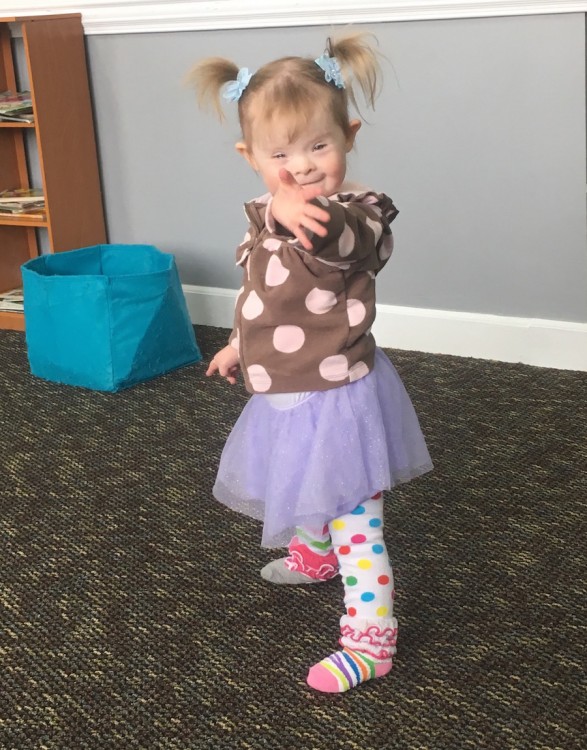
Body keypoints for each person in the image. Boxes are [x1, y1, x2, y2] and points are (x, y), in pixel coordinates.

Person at [189, 32, 433, 693]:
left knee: (356, 516)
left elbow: (341, 242)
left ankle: (369, 639)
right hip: (288, 388)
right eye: (279, 155)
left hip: (342, 397)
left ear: (348, 136)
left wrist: (300, 212)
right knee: (301, 477)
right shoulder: (266, 215)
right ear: (250, 157)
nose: (300, 167)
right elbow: (263, 292)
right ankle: (314, 555)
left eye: (317, 146)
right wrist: (242, 342)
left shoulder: (358, 215)